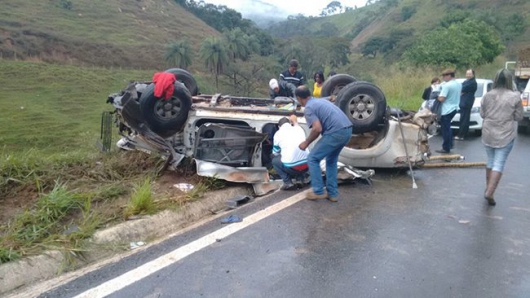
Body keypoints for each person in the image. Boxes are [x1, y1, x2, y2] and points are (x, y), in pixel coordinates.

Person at [295, 86, 352, 202]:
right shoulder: (319, 101)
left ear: (299, 98)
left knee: (312, 158)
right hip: (347, 129)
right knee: (331, 161)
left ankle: (318, 191)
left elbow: (317, 129)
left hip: (336, 132)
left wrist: (306, 142)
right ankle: (333, 194)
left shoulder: (309, 108)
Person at [480, 68, 523, 206]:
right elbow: (518, 117)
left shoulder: (487, 95)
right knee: (499, 163)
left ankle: (488, 189)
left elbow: (482, 114)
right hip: (505, 134)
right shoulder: (515, 96)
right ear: (510, 80)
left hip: (488, 133)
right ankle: (489, 192)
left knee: (491, 161)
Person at [272, 117, 310, 190]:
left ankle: (288, 182)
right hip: (307, 165)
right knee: (299, 156)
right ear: (290, 124)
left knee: (275, 161)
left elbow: (275, 152)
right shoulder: (299, 129)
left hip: (292, 168)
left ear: (279, 127)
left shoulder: (278, 134)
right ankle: (300, 179)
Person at [436, 69, 461, 154]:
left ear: (450, 75)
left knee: (445, 129)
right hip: (455, 107)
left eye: (445, 76)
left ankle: (446, 147)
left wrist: (436, 96)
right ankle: (450, 144)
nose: (443, 78)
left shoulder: (447, 86)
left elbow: (442, 98)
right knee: (448, 127)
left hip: (446, 110)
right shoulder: (458, 84)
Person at [455, 69, 477, 140]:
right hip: (464, 102)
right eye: (467, 74)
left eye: (470, 74)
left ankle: (461, 135)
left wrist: (462, 91)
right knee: (464, 119)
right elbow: (460, 88)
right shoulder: (466, 81)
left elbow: (461, 88)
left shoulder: (472, 82)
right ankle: (464, 134)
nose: (468, 75)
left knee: (464, 119)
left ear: (473, 75)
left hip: (466, 103)